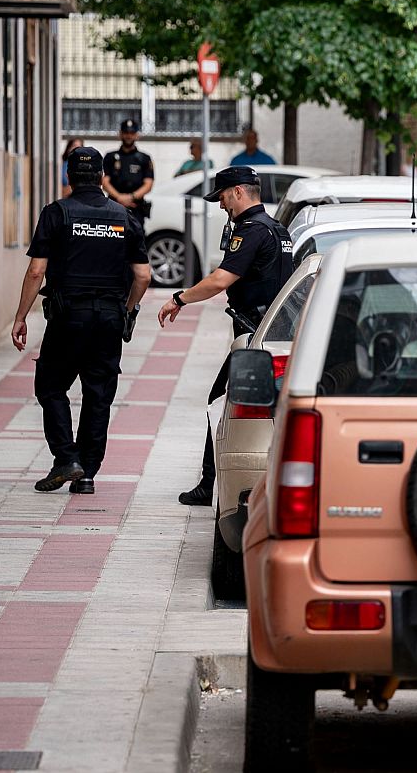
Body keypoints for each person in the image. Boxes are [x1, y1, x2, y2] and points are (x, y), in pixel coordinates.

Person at [15, 147, 152, 495]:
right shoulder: (124, 217)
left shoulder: (56, 213)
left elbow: (36, 271)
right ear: (102, 177)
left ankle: (66, 458)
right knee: (98, 394)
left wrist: (21, 316)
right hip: (109, 319)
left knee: (50, 386)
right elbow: (143, 276)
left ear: (70, 177)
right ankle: (87, 473)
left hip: (68, 317)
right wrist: (127, 310)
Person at [159, 167, 294, 506]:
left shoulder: (251, 230)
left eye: (221, 197)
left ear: (238, 192)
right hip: (272, 331)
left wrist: (179, 298)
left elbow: (220, 280)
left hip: (255, 335)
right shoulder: (277, 228)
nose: (221, 205)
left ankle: (210, 485)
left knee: (220, 401)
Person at [103, 118, 155, 219]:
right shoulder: (110, 157)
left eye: (132, 133)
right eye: (126, 133)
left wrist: (131, 197)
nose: (128, 136)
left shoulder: (144, 158)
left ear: (137, 135)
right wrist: (119, 197)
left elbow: (148, 184)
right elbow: (105, 182)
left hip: (136, 208)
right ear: (120, 134)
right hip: (114, 207)